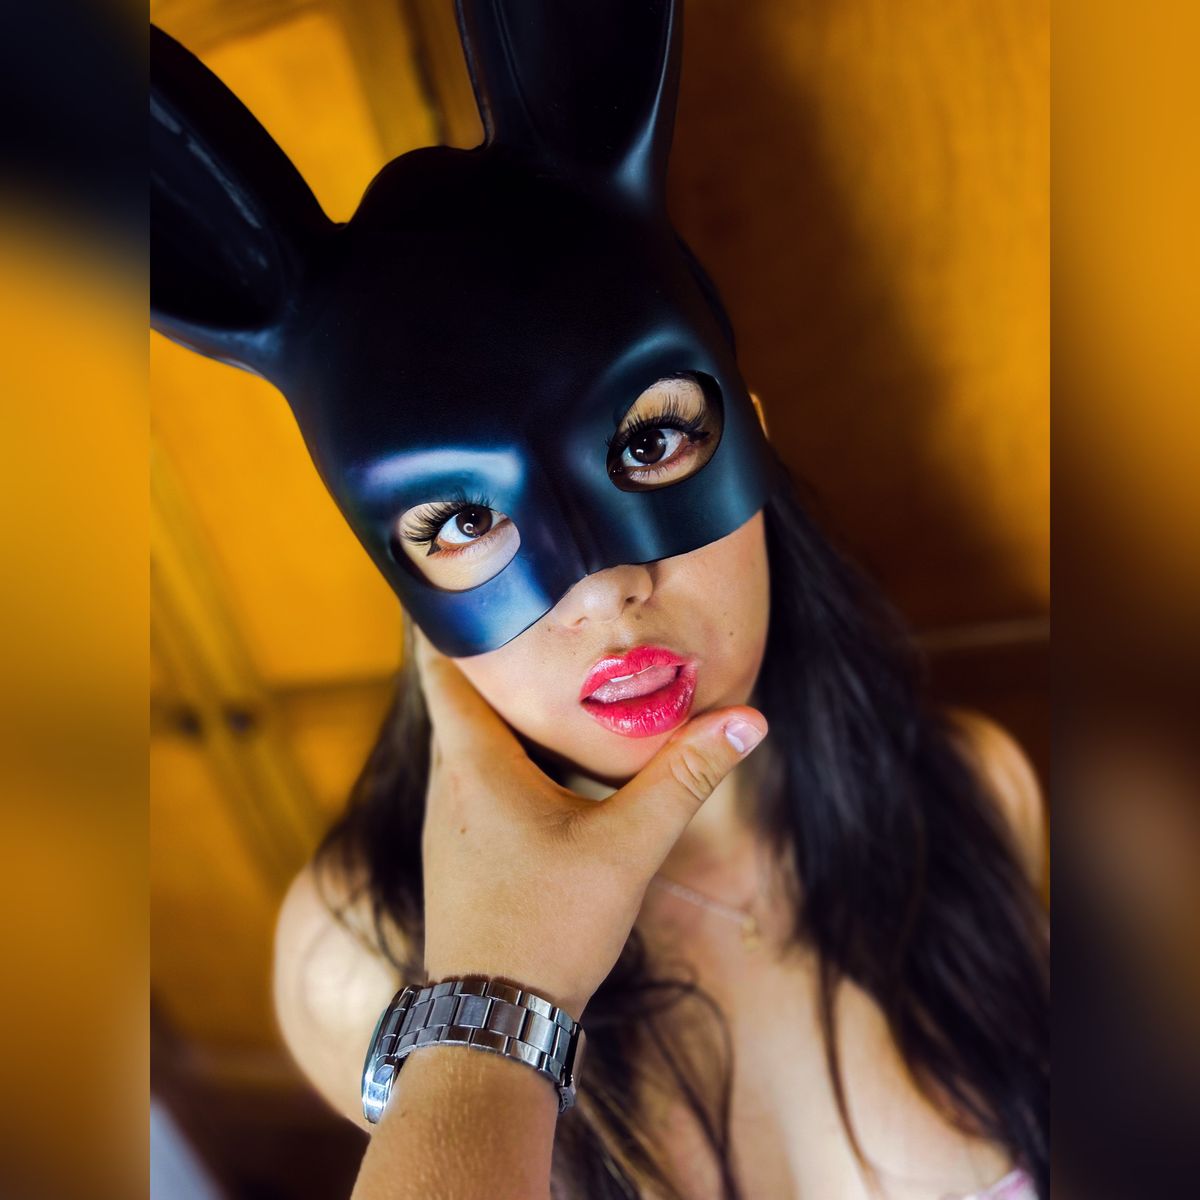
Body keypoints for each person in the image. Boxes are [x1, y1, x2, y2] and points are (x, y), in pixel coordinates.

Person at [150, 3, 1048, 1196]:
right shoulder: (355, 960)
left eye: (651, 439)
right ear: (401, 581)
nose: (606, 589)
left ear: (752, 433)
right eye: (461, 522)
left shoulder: (981, 801)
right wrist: (497, 1001)